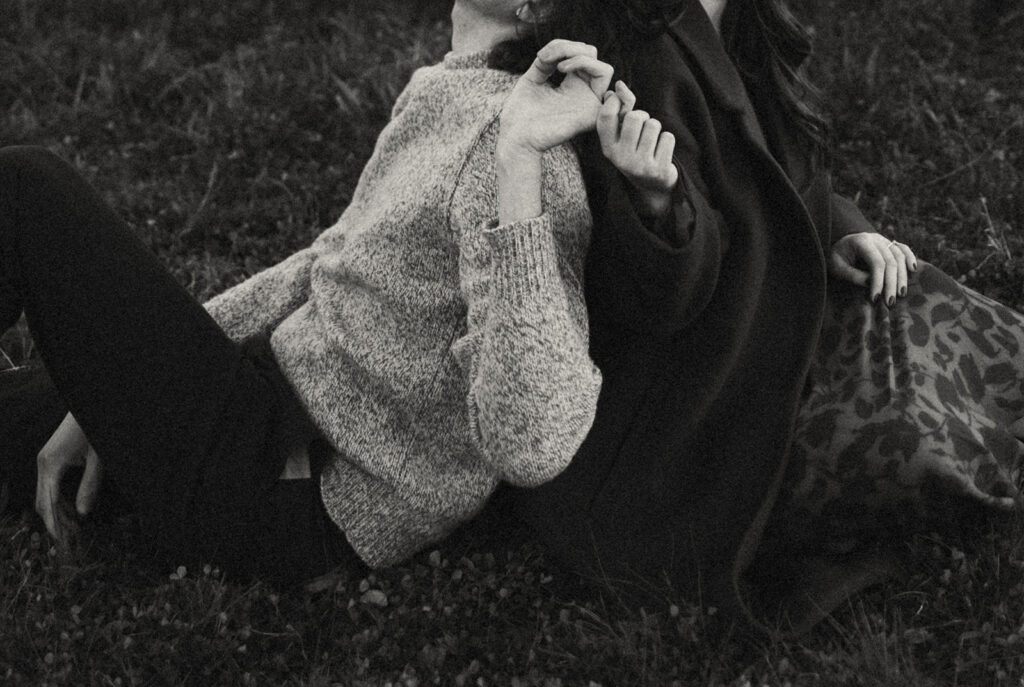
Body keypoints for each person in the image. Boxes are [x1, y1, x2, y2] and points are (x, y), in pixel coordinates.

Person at [0, 0, 608, 587]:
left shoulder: (525, 157)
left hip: (289, 490)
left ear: (535, 8)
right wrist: (118, 382)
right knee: (23, 413)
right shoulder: (445, 91)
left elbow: (533, 443)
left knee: (27, 190)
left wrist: (521, 158)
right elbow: (322, 264)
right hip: (260, 397)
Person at [502, 0, 1024, 631]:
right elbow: (656, 306)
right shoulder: (628, 47)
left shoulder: (741, 13)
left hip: (774, 313)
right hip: (694, 414)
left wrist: (839, 229)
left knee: (939, 316)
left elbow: (783, 169)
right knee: (913, 442)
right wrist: (657, 198)